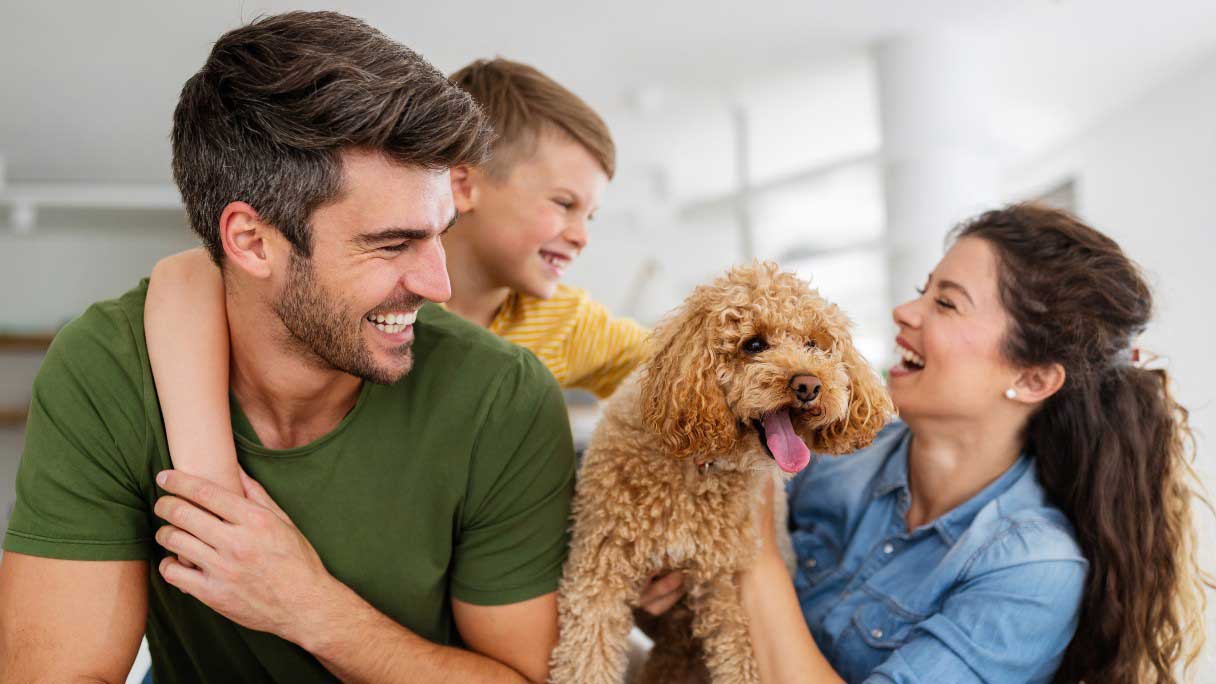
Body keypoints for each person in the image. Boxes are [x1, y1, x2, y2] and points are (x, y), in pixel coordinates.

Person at [0, 12, 575, 683]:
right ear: (250, 241)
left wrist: (311, 609)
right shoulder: (108, 370)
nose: (437, 283)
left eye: (438, 234)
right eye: (391, 244)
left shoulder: (501, 398)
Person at [735, 204, 1211, 684]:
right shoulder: (834, 452)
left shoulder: (1034, 570)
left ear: (1033, 378)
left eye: (946, 303)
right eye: (924, 291)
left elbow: (749, 553)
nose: (904, 311)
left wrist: (752, 553)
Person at [145, 57, 650, 498]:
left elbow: (685, 372)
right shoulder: (369, 298)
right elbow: (186, 275)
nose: (582, 235)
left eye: (592, 216)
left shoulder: (567, 323)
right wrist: (209, 473)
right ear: (463, 185)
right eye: (564, 203)